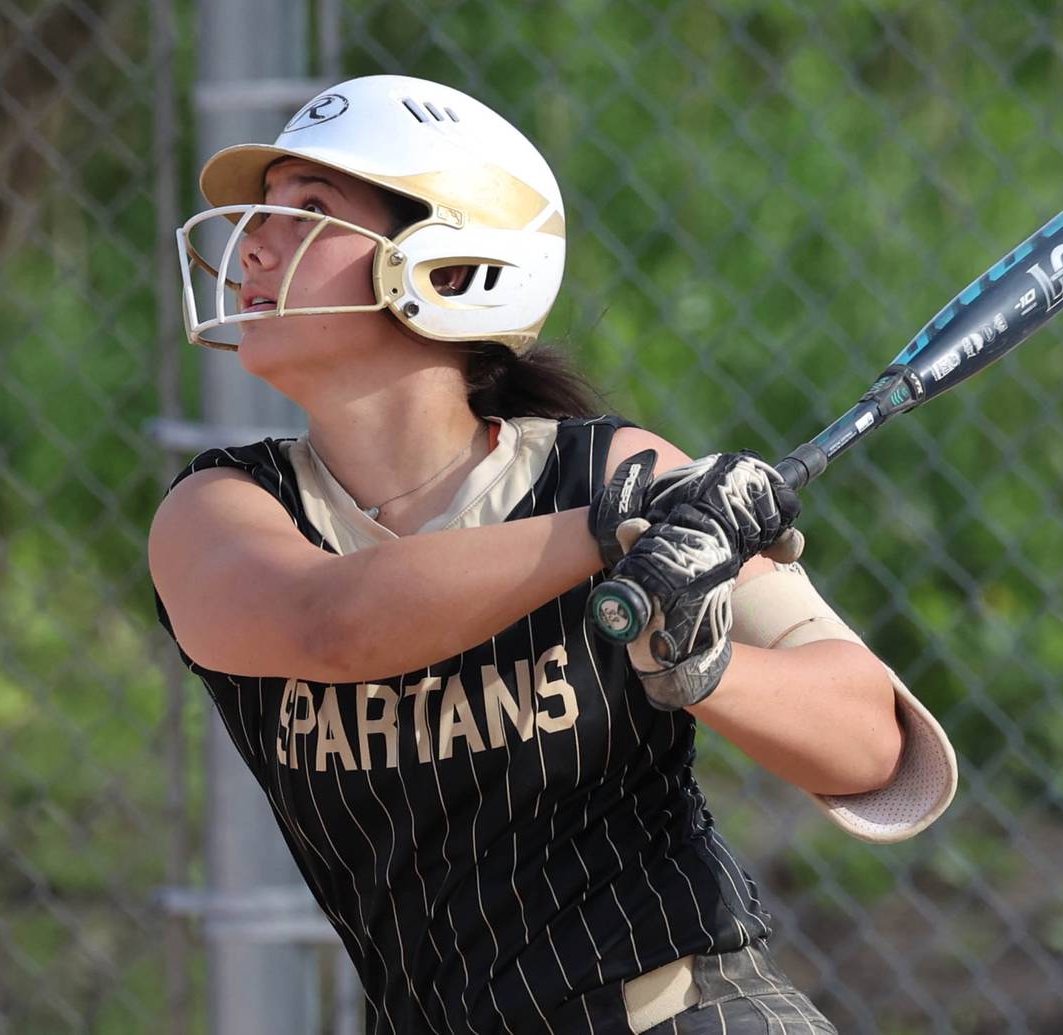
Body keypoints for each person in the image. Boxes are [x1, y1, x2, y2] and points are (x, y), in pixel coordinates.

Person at [152, 74, 958, 1035]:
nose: (255, 241)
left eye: (310, 212)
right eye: (262, 214)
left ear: (447, 268)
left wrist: (703, 669)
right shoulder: (225, 508)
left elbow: (875, 745)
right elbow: (327, 625)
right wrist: (609, 529)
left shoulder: (606, 469)